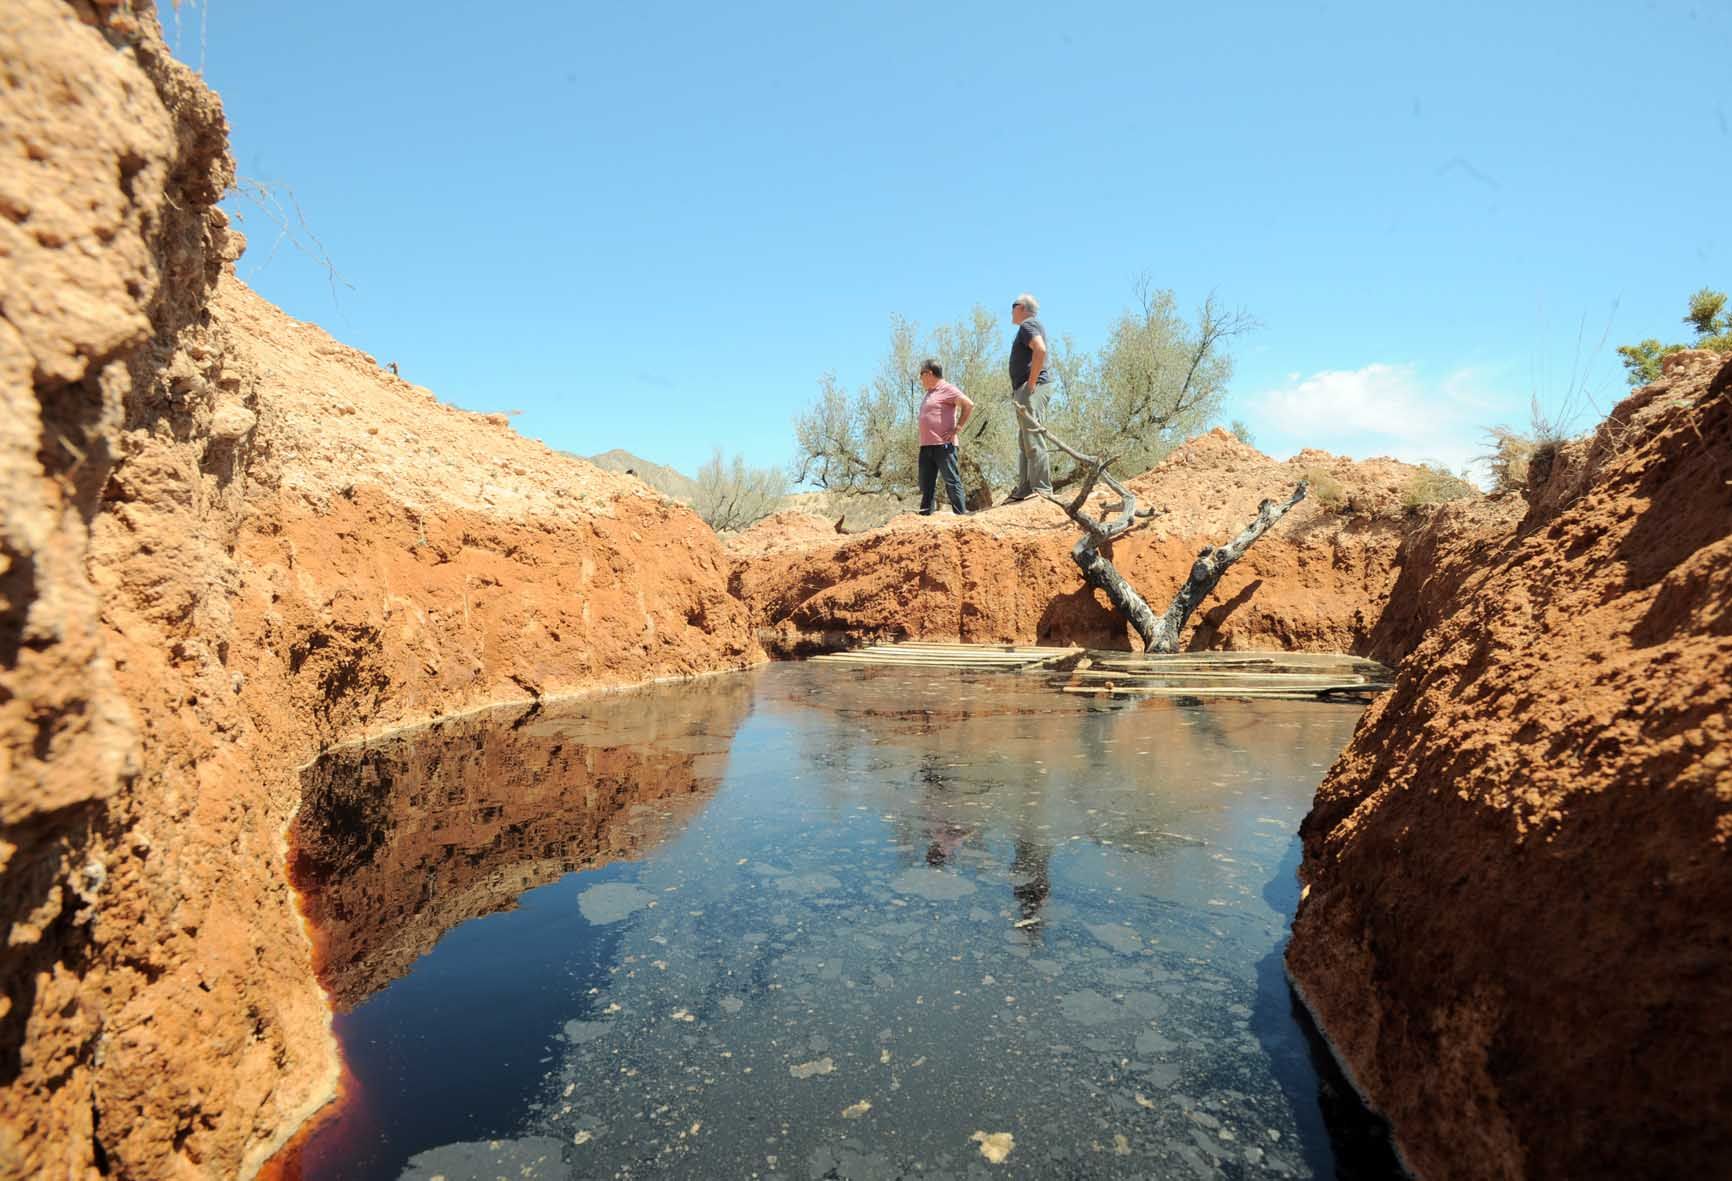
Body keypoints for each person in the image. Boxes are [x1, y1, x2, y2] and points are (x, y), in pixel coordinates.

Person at [1006, 293, 1053, 501]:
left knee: (1033, 437)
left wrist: (1031, 384)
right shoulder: (1028, 327)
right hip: (1026, 389)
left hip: (1031, 388)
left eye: (1013, 305)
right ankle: (1025, 488)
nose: (1010, 310)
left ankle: (1041, 489)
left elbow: (1040, 350)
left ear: (1023, 308)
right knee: (1024, 440)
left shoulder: (1028, 325)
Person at [916, 358, 973, 516]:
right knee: (926, 485)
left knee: (951, 481)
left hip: (944, 445)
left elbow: (968, 405)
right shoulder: (929, 393)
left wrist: (958, 427)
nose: (920, 379)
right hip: (926, 445)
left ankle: (961, 515)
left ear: (929, 373)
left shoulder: (947, 389)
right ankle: (925, 516)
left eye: (921, 375)